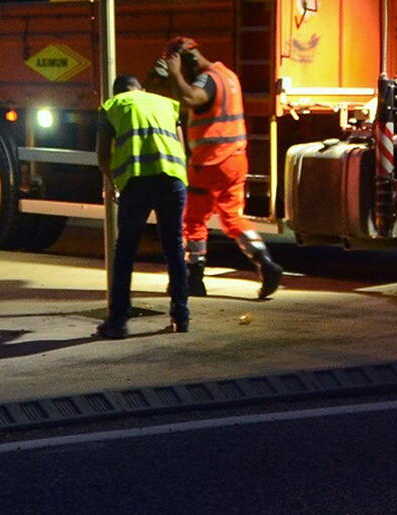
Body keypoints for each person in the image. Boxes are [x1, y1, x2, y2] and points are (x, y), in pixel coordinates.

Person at [161, 36, 282, 299]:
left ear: (189, 58)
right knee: (232, 217)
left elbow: (192, 97)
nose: (180, 71)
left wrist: (174, 74)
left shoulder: (207, 79)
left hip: (210, 162)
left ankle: (195, 277)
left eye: (179, 63)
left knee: (194, 219)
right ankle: (265, 262)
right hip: (236, 159)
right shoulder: (228, 75)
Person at [94, 73, 189, 339]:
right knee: (174, 247)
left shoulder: (111, 107)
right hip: (173, 180)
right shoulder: (166, 103)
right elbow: (181, 145)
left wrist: (110, 182)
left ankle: (118, 321)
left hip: (137, 184)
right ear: (141, 89)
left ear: (116, 93)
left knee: (125, 251)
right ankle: (181, 315)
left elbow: (102, 154)